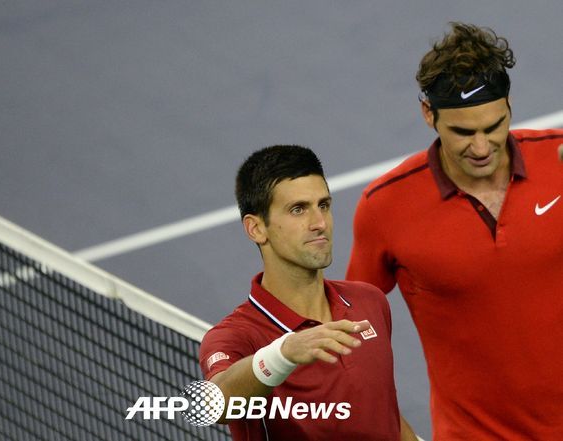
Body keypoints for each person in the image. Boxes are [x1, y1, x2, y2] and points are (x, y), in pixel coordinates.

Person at [346, 22, 563, 440]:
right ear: (429, 114)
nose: (481, 147)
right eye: (463, 132)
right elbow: (349, 332)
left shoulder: (559, 160)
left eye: (493, 126)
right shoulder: (385, 207)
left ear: (509, 107)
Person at [199, 145, 418, 440]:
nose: (319, 223)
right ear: (256, 229)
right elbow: (216, 403)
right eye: (298, 209)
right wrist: (282, 355)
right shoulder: (236, 336)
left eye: (323, 205)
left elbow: (384, 414)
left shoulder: (369, 301)